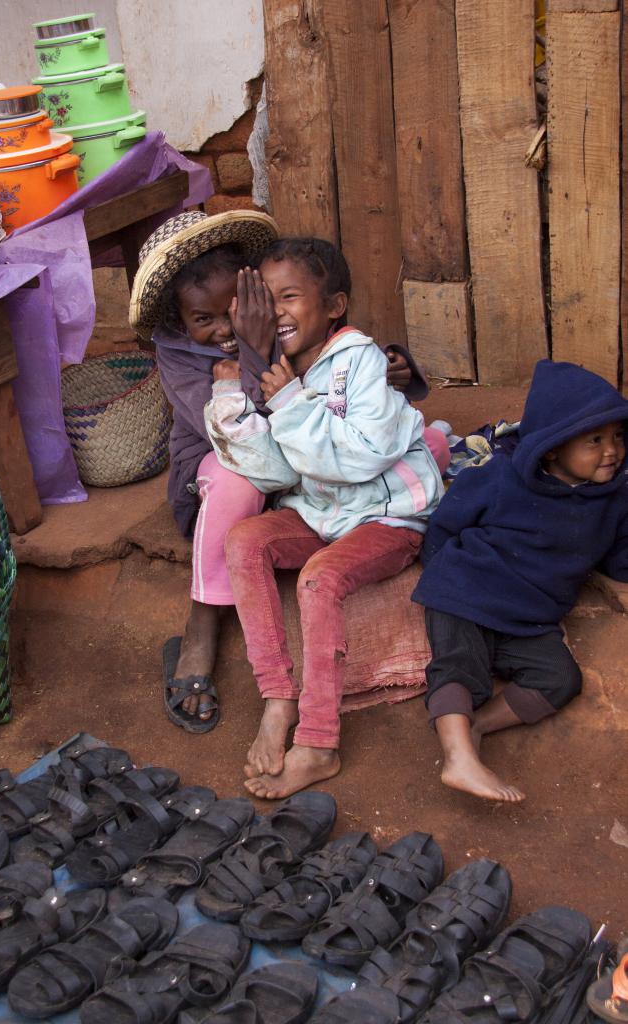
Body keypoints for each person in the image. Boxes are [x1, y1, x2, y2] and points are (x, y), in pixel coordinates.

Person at [130, 212, 446, 733]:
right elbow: (240, 437)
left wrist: (390, 366)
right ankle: (202, 626)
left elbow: (335, 368)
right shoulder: (183, 355)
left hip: (302, 461)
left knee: (426, 441)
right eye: (202, 319)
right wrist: (254, 352)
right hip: (228, 460)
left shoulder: (271, 318)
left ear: (250, 290)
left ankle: (374, 521)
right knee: (240, 483)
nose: (224, 330)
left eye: (235, 308)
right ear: (179, 320)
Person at [204, 237, 444, 797]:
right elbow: (276, 473)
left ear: (333, 306)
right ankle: (278, 695)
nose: (278, 311)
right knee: (245, 541)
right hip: (322, 512)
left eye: (290, 296)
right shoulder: (278, 369)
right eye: (267, 299)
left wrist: (289, 402)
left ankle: (317, 742)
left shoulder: (359, 360)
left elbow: (362, 456)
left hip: (387, 516)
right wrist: (233, 398)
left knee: (319, 579)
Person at [412, 359, 628, 803]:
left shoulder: (612, 497)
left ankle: (477, 728)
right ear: (551, 447)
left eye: (617, 437)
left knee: (561, 678)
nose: (612, 451)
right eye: (594, 440)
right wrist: (440, 578)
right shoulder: (500, 477)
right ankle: (457, 759)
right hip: (466, 591)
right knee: (458, 666)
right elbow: (446, 523)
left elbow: (619, 556)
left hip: (529, 617)